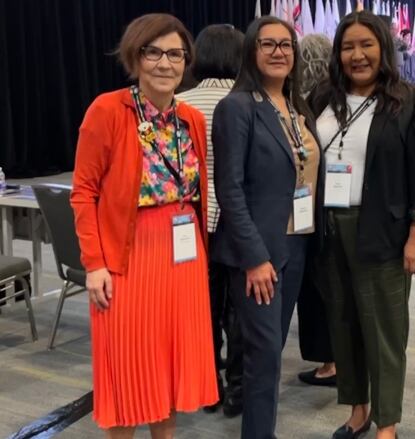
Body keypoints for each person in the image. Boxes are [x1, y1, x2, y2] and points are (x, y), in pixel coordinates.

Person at [71, 13, 218, 436]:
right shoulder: (108, 110)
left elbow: (196, 190)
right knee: (129, 371)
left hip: (183, 257)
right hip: (129, 256)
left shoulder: (191, 118)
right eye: (154, 52)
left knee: (169, 369)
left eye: (176, 54)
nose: (165, 63)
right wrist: (95, 262)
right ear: (136, 57)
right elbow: (83, 192)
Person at [307, 10, 415, 439]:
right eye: (348, 46)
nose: (357, 55)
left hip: (383, 228)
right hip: (328, 228)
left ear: (383, 48)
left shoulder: (407, 99)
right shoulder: (322, 96)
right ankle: (358, 410)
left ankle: (388, 423)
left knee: (384, 331)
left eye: (366, 45)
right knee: (343, 325)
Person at [211, 16, 323, 438]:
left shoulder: (298, 108)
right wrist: (255, 258)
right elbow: (230, 189)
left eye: (286, 45)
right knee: (263, 354)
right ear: (250, 53)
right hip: (258, 252)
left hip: (297, 244)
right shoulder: (237, 107)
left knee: (271, 351)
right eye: (268, 44)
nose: (279, 52)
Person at [176, 22, 245, 418]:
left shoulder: (181, 104)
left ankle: (209, 387)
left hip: (192, 221)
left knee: (203, 309)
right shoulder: (248, 101)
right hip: (236, 220)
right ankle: (237, 389)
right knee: (239, 310)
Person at [296, 32, 338, 387]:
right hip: (333, 204)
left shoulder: (303, 100)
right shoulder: (335, 94)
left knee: (319, 287)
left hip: (311, 205)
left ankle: (331, 363)